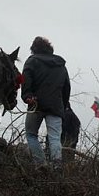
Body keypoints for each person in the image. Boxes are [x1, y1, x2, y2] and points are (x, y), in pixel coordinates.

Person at [21, 36, 71, 165]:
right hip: (55, 106)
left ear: (34, 49)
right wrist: (63, 105)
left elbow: (25, 79)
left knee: (31, 134)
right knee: (55, 138)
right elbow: (66, 88)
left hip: (35, 103)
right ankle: (57, 166)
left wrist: (27, 96)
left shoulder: (32, 61)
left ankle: (40, 164)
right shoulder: (60, 65)